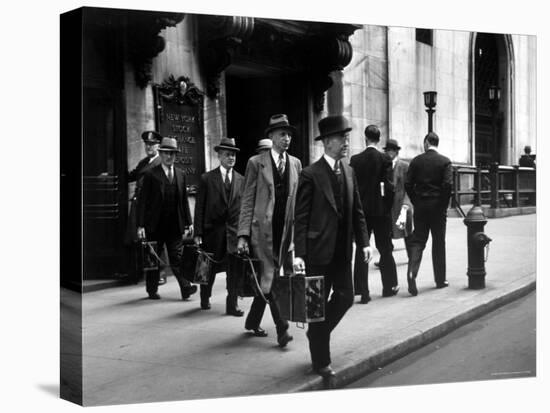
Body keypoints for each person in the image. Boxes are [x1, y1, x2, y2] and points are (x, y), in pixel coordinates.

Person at [293, 114, 372, 378]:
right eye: (342, 138)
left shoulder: (349, 171)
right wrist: (299, 253)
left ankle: (317, 333)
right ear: (327, 142)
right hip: (317, 253)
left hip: (342, 252)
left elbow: (358, 211)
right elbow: (301, 217)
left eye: (347, 137)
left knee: (346, 298)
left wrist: (364, 242)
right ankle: (321, 361)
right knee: (317, 308)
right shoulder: (310, 174)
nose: (347, 142)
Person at [237, 114, 302, 348]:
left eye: (289, 134)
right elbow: (247, 200)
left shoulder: (295, 163)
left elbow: (297, 202)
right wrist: (243, 234)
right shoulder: (256, 162)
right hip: (261, 233)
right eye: (283, 134)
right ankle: (282, 329)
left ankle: (252, 320)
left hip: (285, 233)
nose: (287, 138)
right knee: (272, 278)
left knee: (270, 278)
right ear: (271, 136)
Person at [137, 137, 198, 300]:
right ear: (161, 154)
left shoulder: (180, 174)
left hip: (174, 225)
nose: (169, 156)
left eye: (172, 153)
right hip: (154, 225)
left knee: (177, 258)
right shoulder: (151, 175)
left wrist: (189, 221)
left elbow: (184, 200)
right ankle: (151, 290)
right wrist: (141, 225)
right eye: (166, 153)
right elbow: (143, 201)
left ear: (175, 155)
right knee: (154, 259)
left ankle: (186, 288)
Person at [193, 137, 245, 316]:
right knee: (208, 268)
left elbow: (244, 209)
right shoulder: (207, 178)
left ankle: (232, 305)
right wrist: (198, 232)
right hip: (212, 232)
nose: (231, 158)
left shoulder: (241, 180)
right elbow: (199, 207)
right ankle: (205, 297)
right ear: (219, 156)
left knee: (234, 271)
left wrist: (244, 234)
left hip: (233, 233)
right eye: (228, 154)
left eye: (234, 155)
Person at [350, 125, 398, 303]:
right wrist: (387, 207)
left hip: (362, 211)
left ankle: (363, 291)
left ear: (365, 138)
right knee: (385, 248)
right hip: (380, 211)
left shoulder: (355, 160)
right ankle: (389, 286)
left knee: (363, 248)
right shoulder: (385, 159)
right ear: (379, 139)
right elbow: (390, 187)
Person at [404, 132, 453, 296]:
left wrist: (416, 200)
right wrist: (443, 205)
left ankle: (412, 272)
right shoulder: (445, 161)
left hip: (421, 206)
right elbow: (447, 185)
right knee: (438, 242)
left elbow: (408, 183)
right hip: (438, 207)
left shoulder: (416, 161)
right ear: (437, 144)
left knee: (418, 240)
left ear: (426, 143)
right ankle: (440, 280)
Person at [124, 131, 163, 283]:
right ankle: (140, 273)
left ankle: (158, 275)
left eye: (152, 144)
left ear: (158, 146)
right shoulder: (144, 163)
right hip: (138, 205)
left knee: (152, 241)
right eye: (147, 144)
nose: (149, 147)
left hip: (149, 208)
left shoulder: (160, 163)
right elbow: (131, 175)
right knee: (138, 239)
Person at [383, 139, 413, 256]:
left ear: (396, 152)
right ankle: (385, 260)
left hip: (401, 205)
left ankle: (412, 258)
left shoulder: (405, 166)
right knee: (386, 234)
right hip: (388, 206)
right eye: (387, 150)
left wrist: (406, 204)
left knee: (407, 233)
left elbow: (410, 187)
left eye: (391, 150)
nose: (389, 153)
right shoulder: (384, 165)